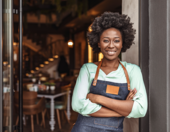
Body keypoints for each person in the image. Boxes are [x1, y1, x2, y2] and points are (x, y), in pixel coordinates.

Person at [71, 12, 147, 132]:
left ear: (122, 43)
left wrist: (97, 98)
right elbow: (78, 105)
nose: (111, 46)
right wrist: (122, 109)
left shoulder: (133, 71)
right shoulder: (87, 69)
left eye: (116, 41)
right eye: (106, 40)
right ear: (98, 43)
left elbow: (140, 109)